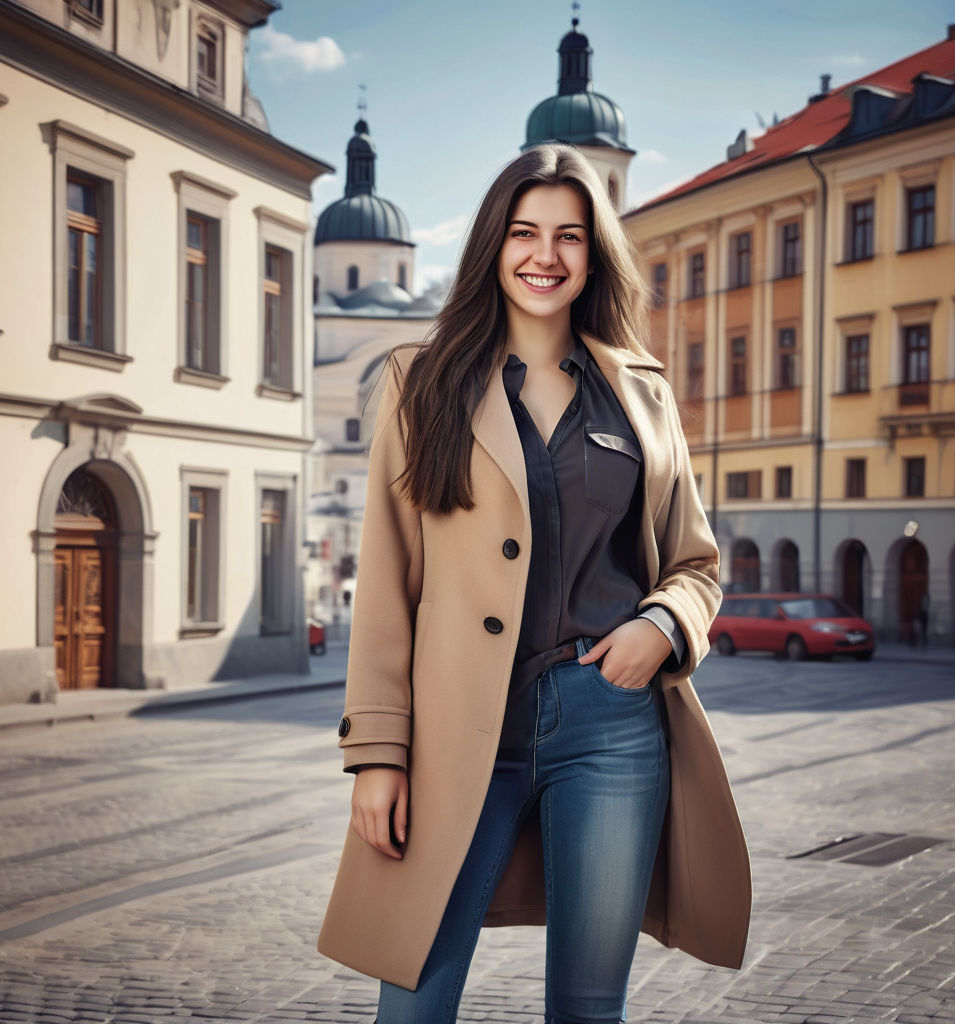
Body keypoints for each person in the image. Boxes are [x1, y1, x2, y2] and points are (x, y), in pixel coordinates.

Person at [318, 144, 751, 1024]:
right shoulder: (420, 382)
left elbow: (695, 562)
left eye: (570, 236)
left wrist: (661, 627)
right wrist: (376, 754)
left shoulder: (642, 395)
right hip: (451, 730)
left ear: (595, 254)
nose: (544, 256)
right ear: (493, 244)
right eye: (524, 233)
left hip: (610, 727)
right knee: (413, 1002)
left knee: (590, 1009)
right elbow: (389, 583)